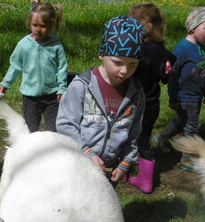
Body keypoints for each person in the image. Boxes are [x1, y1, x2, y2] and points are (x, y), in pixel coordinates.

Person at [57, 16, 146, 184]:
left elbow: (134, 132)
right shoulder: (82, 86)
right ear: (102, 54)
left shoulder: (137, 93)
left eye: (133, 64)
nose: (124, 71)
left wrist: (126, 163)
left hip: (110, 170)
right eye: (118, 62)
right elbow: (65, 124)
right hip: (78, 163)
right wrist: (87, 153)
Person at [153, 6, 205, 172]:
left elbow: (203, 71)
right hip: (185, 96)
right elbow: (172, 76)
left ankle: (162, 136)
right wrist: (173, 98)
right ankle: (187, 160)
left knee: (183, 122)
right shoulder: (181, 49)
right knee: (191, 128)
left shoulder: (201, 47)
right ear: (193, 26)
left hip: (196, 95)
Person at [0, 0, 68, 132]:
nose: (38, 29)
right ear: (29, 23)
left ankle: (50, 151)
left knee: (53, 130)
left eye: (43, 26)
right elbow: (15, 66)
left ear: (51, 25)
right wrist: (6, 82)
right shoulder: (24, 45)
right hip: (30, 98)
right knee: (30, 130)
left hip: (52, 97)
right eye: (35, 25)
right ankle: (32, 152)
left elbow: (62, 68)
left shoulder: (56, 45)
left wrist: (62, 87)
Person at [127, 2, 176, 193]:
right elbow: (166, 75)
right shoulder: (162, 49)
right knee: (144, 137)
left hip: (136, 101)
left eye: (133, 24)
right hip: (153, 103)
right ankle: (143, 177)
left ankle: (136, 174)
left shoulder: (141, 49)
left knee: (130, 135)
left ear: (147, 26)